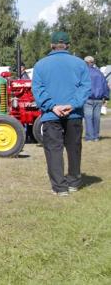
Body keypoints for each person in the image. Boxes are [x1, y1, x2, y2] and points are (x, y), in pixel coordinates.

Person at [32, 31, 91, 197]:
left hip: (51, 115)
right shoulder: (80, 64)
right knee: (74, 149)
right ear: (68, 45)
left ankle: (59, 187)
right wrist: (72, 105)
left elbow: (38, 89)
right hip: (74, 114)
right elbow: (85, 87)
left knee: (53, 150)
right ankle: (73, 182)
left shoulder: (40, 65)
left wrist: (53, 106)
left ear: (51, 45)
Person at [83, 56, 109, 141]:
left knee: (88, 118)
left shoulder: (84, 73)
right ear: (93, 62)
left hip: (88, 98)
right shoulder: (99, 73)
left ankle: (89, 137)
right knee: (96, 118)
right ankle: (96, 137)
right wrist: (106, 97)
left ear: (86, 63)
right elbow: (105, 85)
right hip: (98, 99)